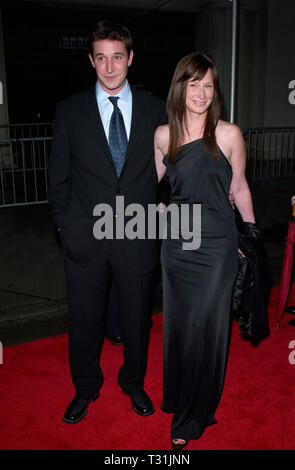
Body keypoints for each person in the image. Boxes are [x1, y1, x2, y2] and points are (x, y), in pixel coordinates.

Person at [48, 20, 167, 424]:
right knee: (84, 318)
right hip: (86, 236)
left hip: (136, 233)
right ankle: (85, 387)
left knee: (137, 318)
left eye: (118, 57)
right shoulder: (70, 111)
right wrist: (66, 228)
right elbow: (58, 179)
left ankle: (134, 382)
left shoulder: (156, 109)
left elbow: (172, 167)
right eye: (102, 57)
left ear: (130, 58)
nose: (110, 67)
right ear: (91, 61)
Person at [154, 51, 256, 449]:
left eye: (208, 85)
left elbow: (240, 187)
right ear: (180, 87)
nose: (200, 93)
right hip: (177, 248)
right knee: (179, 327)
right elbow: (153, 190)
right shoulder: (164, 136)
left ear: (216, 92)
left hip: (216, 246)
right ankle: (178, 395)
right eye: (193, 84)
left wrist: (251, 234)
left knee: (203, 327)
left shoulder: (229, 134)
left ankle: (191, 416)